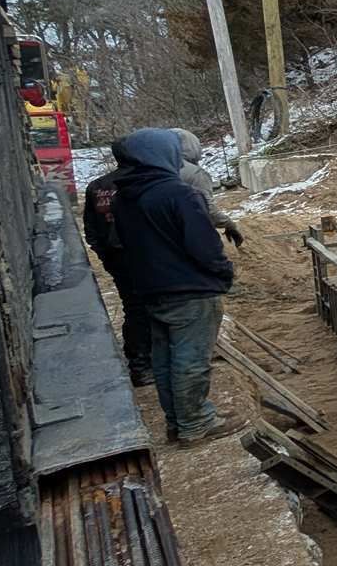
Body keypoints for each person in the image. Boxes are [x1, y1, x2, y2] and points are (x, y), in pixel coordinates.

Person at [112, 128, 235, 442]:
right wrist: (223, 273)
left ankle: (177, 423)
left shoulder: (124, 198)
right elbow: (205, 246)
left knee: (164, 359)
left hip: (152, 290)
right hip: (190, 290)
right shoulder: (178, 193)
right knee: (191, 359)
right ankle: (197, 422)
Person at [81, 139, 154, 387]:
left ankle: (140, 363)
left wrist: (105, 256)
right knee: (147, 309)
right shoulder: (143, 183)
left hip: (118, 259)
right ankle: (143, 365)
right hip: (144, 257)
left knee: (133, 307)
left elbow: (90, 229)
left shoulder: (97, 186)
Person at [171, 129, 245, 247]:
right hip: (185, 237)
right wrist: (230, 225)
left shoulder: (151, 169)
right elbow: (207, 211)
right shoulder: (194, 174)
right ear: (192, 146)